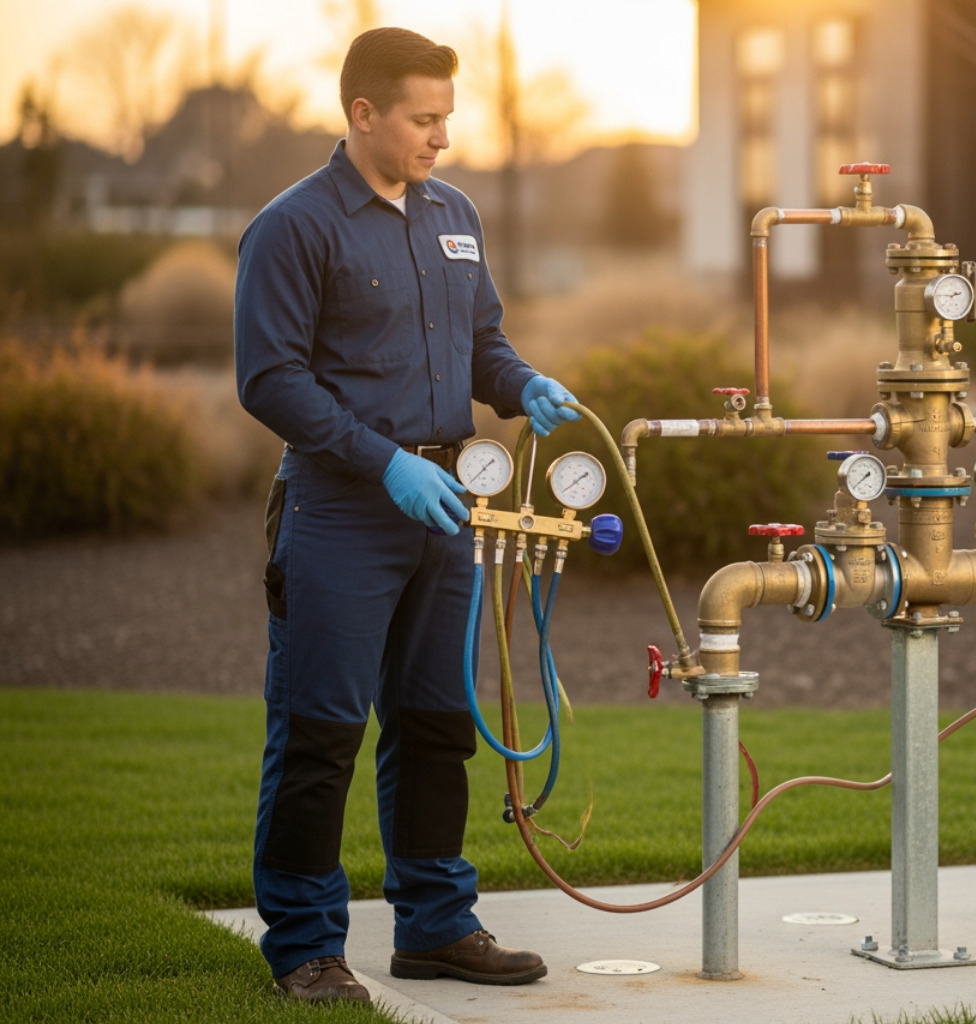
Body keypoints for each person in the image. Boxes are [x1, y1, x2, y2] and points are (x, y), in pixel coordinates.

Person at [234, 26, 579, 1004]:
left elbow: (483, 343)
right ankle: (304, 943)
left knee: (435, 726)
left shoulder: (454, 213)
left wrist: (523, 386)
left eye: (447, 118)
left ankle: (434, 922)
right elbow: (268, 378)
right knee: (320, 728)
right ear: (363, 114)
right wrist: (381, 461)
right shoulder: (294, 226)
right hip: (344, 512)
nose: (442, 137)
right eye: (425, 119)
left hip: (447, 512)